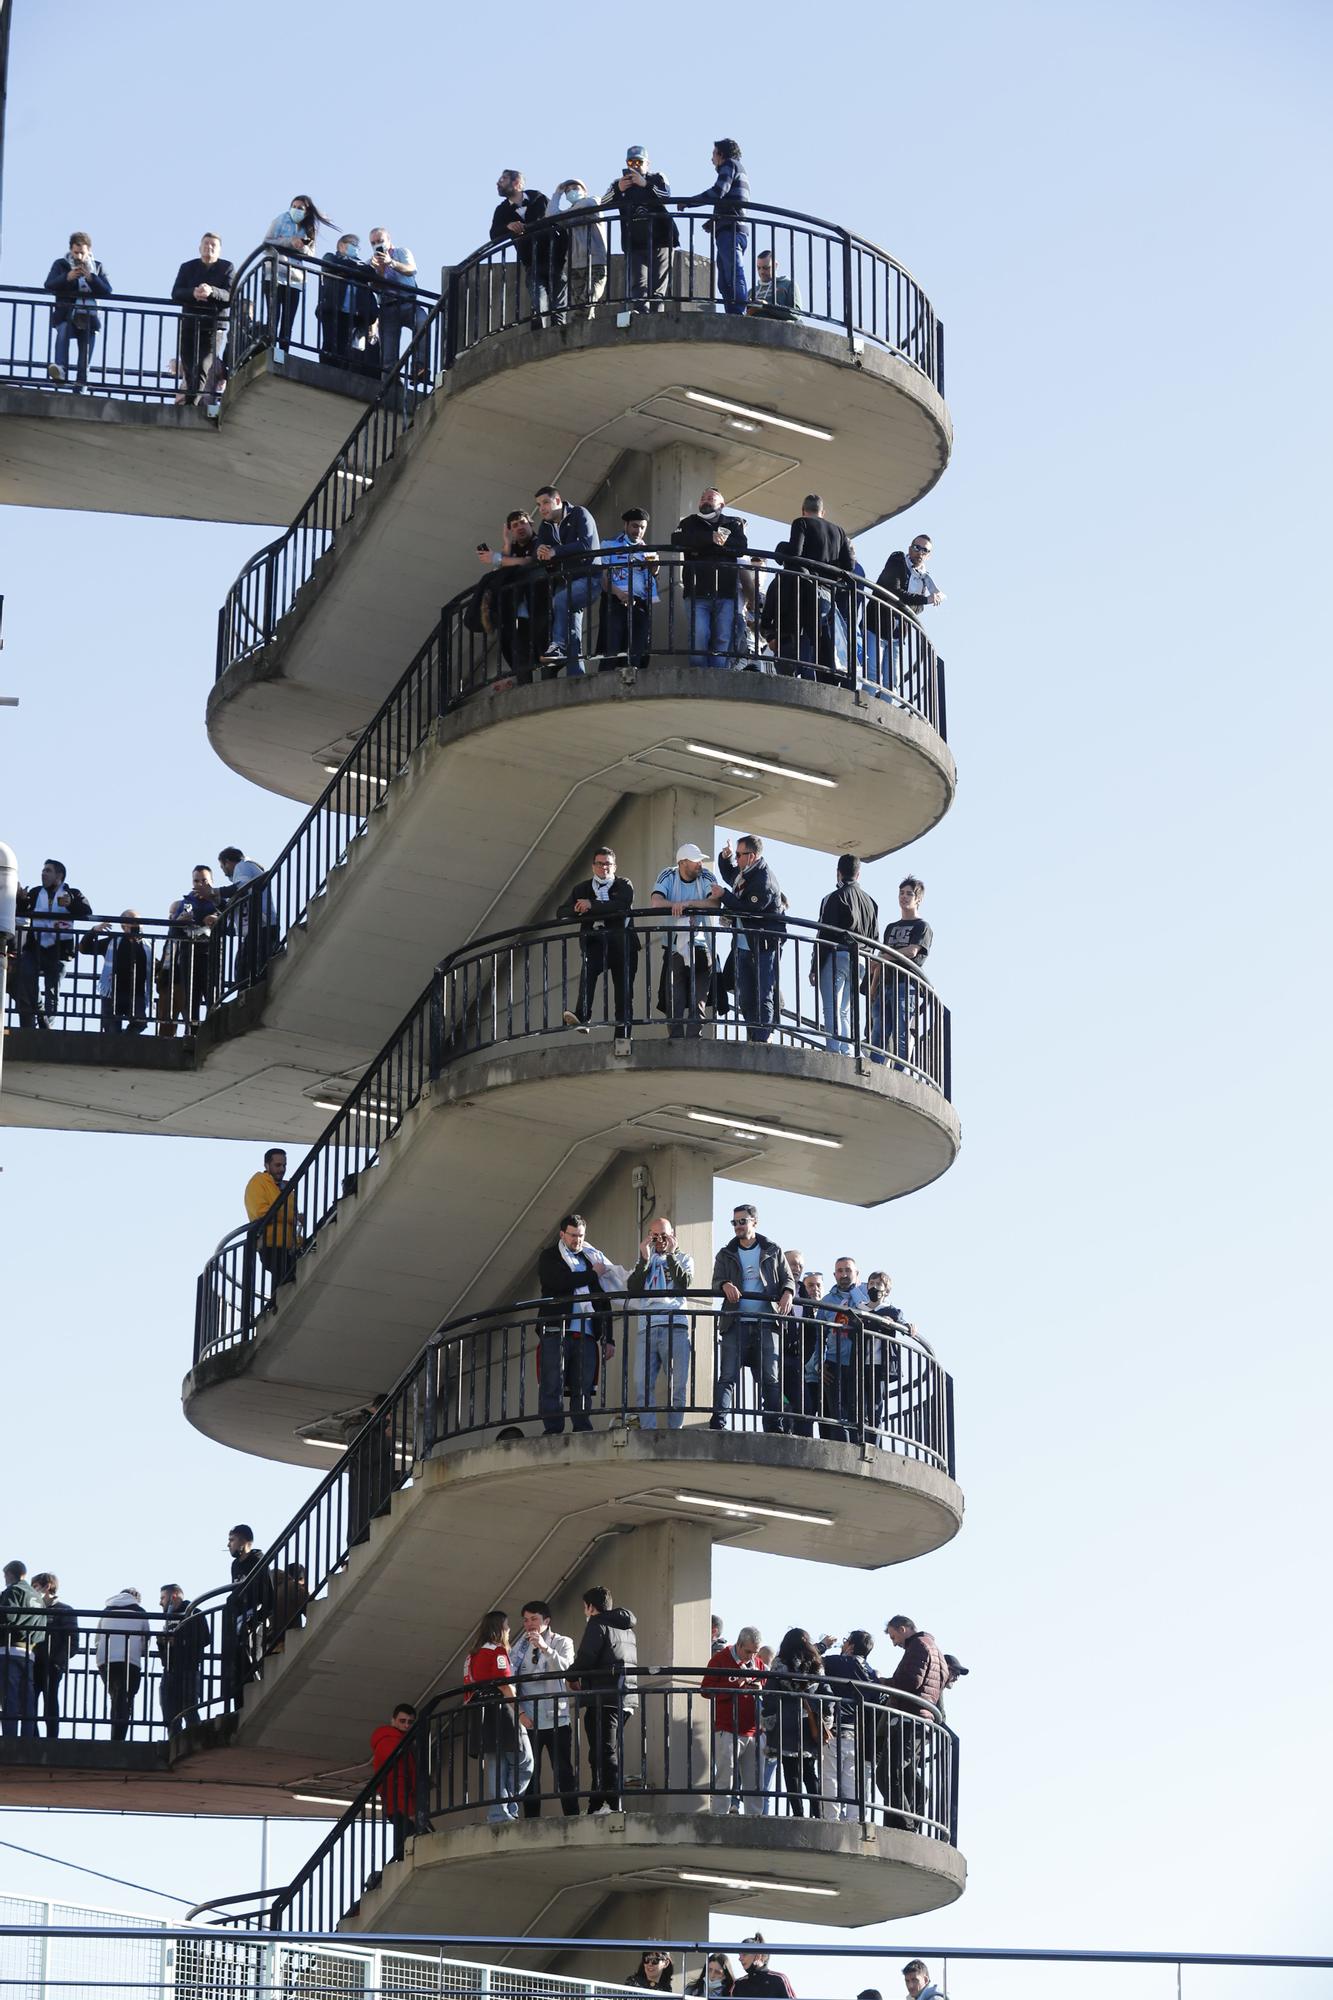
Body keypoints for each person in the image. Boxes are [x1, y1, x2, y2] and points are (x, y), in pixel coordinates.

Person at [710, 1204, 794, 1433]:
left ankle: (773, 1426)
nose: (738, 1226)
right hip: (735, 1322)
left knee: (771, 1378)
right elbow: (716, 1280)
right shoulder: (725, 1253)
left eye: (742, 1221)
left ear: (754, 1222)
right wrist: (724, 1284)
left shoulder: (773, 1249)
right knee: (727, 1376)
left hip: (767, 1323)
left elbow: (788, 1279)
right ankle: (718, 1424)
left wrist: (788, 1293)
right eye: (734, 1222)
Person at [535, 1215, 616, 1434]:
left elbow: (603, 1300)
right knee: (552, 1384)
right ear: (562, 1234)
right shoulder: (550, 1256)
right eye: (573, 1235)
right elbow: (559, 1282)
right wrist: (592, 1275)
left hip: (587, 1334)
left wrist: (609, 1338)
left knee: (584, 1386)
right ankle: (553, 1430)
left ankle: (582, 1429)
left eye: (581, 1236)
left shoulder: (590, 1258)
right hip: (555, 1330)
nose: (577, 1241)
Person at [567, 1585, 637, 1813]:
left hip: (603, 1696)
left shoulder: (597, 1624)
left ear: (590, 1607)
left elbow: (587, 1657)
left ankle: (610, 1802)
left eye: (585, 1607)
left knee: (603, 1752)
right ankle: (598, 1802)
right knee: (603, 1750)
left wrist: (571, 1675)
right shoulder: (627, 1628)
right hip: (625, 1697)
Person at [557, 846, 638, 1038]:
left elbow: (620, 906)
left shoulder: (624, 884)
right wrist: (579, 908)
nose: (604, 868)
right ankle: (582, 1017)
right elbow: (561, 912)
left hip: (622, 944)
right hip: (595, 941)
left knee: (624, 994)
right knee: (588, 972)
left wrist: (591, 905)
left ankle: (622, 1036)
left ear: (615, 866)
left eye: (608, 864)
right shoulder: (582, 889)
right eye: (600, 864)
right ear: (593, 866)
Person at [713, 835, 785, 1043]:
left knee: (764, 993)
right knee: (745, 996)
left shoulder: (764, 880)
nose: (736, 859)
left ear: (751, 856)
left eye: (738, 855)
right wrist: (724, 858)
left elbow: (750, 909)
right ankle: (754, 1034)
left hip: (763, 945)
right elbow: (730, 875)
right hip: (744, 946)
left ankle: (762, 1038)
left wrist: (724, 896)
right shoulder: (745, 873)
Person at [510, 1601, 578, 1818]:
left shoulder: (562, 1642)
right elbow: (510, 1684)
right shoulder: (519, 1647)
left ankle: (572, 1817)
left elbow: (567, 1669)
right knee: (531, 1774)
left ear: (546, 1621)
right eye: (526, 1620)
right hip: (529, 1720)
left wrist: (545, 1648)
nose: (529, 1624)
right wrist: (520, 1713)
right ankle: (531, 1821)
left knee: (563, 1772)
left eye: (534, 1619)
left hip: (558, 1720)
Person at [877, 1616, 945, 1828]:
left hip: (909, 1718)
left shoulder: (917, 1646)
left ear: (903, 1629)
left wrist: (883, 1682)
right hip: (921, 1720)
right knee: (904, 1772)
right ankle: (911, 1813)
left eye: (893, 1635)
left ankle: (907, 1823)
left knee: (886, 1774)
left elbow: (910, 1682)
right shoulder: (934, 1649)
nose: (894, 1642)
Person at [626, 1217, 694, 1429]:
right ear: (649, 1236)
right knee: (641, 1383)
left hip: (676, 1325)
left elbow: (683, 1285)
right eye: (656, 1236)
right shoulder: (645, 1260)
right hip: (647, 1327)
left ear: (673, 1235)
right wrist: (644, 1259)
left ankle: (675, 1430)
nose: (660, 1241)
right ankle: (648, 1429)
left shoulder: (684, 1258)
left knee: (678, 1384)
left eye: (664, 1236)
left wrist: (672, 1256)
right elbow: (634, 1289)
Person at [650, 843, 721, 1038]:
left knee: (699, 997)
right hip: (674, 947)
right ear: (682, 863)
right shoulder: (668, 875)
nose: (700, 864)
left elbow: (714, 903)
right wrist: (677, 907)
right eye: (695, 861)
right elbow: (656, 902)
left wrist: (687, 905)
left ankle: (693, 1037)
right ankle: (676, 1037)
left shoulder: (706, 876)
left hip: (702, 945)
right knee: (675, 995)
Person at [671, 490, 748, 669]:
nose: (705, 501)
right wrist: (709, 539)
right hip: (697, 591)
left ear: (721, 505)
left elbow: (741, 546)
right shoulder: (689, 522)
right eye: (702, 498)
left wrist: (701, 547)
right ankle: (699, 674)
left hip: (726, 592)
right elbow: (676, 540)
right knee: (699, 635)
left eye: (711, 499)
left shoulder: (733, 523)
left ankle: (718, 675)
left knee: (723, 638)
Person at [12, 861, 92, 1030]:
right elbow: (21, 912)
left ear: (59, 876)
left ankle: (46, 1028)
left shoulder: (72, 893)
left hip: (59, 951)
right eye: (43, 870)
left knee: (52, 992)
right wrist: (20, 899)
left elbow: (86, 911)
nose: (43, 873)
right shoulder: (35, 893)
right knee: (27, 978)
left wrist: (71, 903)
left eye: (48, 871)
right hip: (35, 948)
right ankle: (42, 1018)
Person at [760, 1634, 830, 1821]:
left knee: (790, 1772)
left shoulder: (780, 1664)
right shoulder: (816, 1665)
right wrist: (825, 1715)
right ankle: (818, 1813)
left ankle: (798, 1814)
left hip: (785, 1722)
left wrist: (768, 1719)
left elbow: (769, 1695)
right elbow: (827, 1693)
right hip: (809, 1723)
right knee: (809, 1771)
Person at [675, 139, 749, 314]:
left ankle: (738, 313)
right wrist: (715, 221)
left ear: (721, 154)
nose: (711, 159)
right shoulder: (738, 168)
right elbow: (731, 202)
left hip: (731, 230)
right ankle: (734, 312)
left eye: (713, 154)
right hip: (731, 229)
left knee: (732, 273)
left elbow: (718, 192)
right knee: (724, 279)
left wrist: (689, 202)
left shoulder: (730, 165)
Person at [815, 855, 878, 1056]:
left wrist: (815, 966)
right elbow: (875, 936)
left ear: (838, 872)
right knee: (846, 1010)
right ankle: (849, 1050)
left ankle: (835, 1049)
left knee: (832, 1008)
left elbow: (823, 934)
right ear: (858, 874)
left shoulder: (833, 898)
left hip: (837, 956)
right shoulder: (871, 902)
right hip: (860, 960)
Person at [533, 485, 600, 673]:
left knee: (560, 599)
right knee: (572, 629)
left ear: (557, 500)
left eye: (545, 502)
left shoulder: (579, 513)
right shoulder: (545, 526)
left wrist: (555, 551)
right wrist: (539, 552)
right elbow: (538, 549)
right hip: (567, 581)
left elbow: (587, 545)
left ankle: (558, 646)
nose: (542, 508)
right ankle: (576, 674)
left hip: (589, 578)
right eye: (538, 505)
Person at [786, 496, 854, 678]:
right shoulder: (839, 531)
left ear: (803, 510)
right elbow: (849, 565)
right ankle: (829, 678)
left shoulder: (801, 523)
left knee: (807, 636)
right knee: (824, 637)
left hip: (807, 588)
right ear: (823, 513)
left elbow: (795, 553)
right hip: (828, 591)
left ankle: (807, 676)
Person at [604, 147, 677, 315]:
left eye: (639, 162)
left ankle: (657, 313)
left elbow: (667, 197)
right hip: (634, 240)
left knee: (658, 281)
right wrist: (619, 189)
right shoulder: (618, 183)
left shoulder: (657, 178)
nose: (635, 166)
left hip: (661, 238)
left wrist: (646, 184)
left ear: (647, 164)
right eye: (631, 162)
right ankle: (640, 312)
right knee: (638, 281)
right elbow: (603, 203)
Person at [870, 878, 933, 1070]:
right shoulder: (891, 927)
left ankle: (899, 1071)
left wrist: (886, 956)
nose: (904, 897)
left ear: (918, 899)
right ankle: (875, 1067)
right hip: (885, 984)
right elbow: (880, 960)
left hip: (906, 985)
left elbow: (913, 952)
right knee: (879, 1030)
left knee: (902, 1031)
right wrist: (873, 988)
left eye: (909, 894)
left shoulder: (922, 926)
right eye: (901, 893)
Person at [490, 171, 565, 329]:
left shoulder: (539, 198)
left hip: (554, 259)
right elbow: (494, 233)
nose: (498, 183)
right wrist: (507, 227)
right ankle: (541, 330)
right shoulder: (502, 210)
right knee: (539, 300)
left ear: (517, 183)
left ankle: (559, 332)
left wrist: (561, 251)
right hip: (531, 263)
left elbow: (558, 221)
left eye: (503, 179)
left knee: (558, 305)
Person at [702, 1624, 764, 1811]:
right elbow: (705, 1690)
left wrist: (761, 1688)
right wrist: (735, 1686)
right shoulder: (720, 1660)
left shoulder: (758, 1663)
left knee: (754, 1784)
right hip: (727, 1729)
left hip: (753, 1731)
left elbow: (766, 1684)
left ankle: (756, 1822)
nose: (752, 1657)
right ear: (738, 1644)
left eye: (755, 1652)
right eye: (748, 1652)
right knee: (725, 1779)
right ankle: (719, 1818)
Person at [876, 534, 942, 704]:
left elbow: (917, 609)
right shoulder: (897, 560)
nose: (919, 552)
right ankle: (864, 704)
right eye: (917, 547)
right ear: (909, 548)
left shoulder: (924, 578)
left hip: (897, 633)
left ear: (929, 555)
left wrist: (915, 601)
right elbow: (893, 590)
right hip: (876, 625)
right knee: (872, 671)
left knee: (893, 680)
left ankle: (884, 708)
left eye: (925, 550)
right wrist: (924, 599)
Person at [263, 196, 333, 354]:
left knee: (288, 320)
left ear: (307, 211)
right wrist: (289, 241)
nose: (296, 209)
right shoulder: (280, 220)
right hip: (274, 274)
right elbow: (267, 241)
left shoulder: (309, 228)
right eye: (293, 206)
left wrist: (301, 246)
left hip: (295, 279)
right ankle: (270, 349)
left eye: (300, 208)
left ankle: (283, 352)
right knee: (274, 316)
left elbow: (311, 253)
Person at [170, 234, 234, 406]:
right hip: (190, 324)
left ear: (219, 250)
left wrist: (212, 291)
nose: (209, 247)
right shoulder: (187, 267)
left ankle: (191, 404)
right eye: (206, 244)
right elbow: (176, 293)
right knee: (189, 366)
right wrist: (193, 293)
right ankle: (191, 401)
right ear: (199, 247)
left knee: (203, 367)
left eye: (213, 245)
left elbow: (229, 296)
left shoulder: (226, 267)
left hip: (213, 328)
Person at [820, 1631, 878, 1819]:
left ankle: (832, 1819)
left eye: (846, 1642)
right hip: (856, 1734)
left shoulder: (839, 1662)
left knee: (830, 1777)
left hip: (836, 1729)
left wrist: (823, 1645)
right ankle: (854, 1821)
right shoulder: (870, 1673)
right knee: (852, 1781)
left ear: (851, 1646)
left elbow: (808, 1660)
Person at [156, 865, 219, 1036]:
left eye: (204, 880)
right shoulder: (185, 903)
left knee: (211, 994)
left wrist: (217, 918)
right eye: (196, 881)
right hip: (188, 955)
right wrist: (180, 921)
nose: (200, 884)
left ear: (211, 881)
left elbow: (230, 926)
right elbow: (174, 933)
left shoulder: (218, 902)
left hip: (208, 954)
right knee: (191, 997)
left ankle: (213, 1029)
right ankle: (192, 1031)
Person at [44, 232, 112, 389]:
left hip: (89, 317)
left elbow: (107, 290)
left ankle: (81, 385)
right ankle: (60, 372)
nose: (79, 256)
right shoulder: (61, 265)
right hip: (66, 313)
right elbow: (49, 285)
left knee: (85, 353)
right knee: (63, 334)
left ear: (88, 250)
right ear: (70, 250)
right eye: (76, 252)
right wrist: (67, 277)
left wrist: (92, 278)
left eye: (82, 252)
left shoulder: (97, 266)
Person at [816, 1258, 873, 1443]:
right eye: (839, 1271)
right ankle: (845, 1447)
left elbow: (873, 1311)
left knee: (861, 1409)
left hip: (862, 1361)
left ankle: (862, 1446)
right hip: (834, 1360)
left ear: (857, 1273)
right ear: (834, 1275)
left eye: (848, 1270)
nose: (844, 1274)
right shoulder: (827, 1301)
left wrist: (854, 1292)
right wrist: (820, 1364)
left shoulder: (867, 1293)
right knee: (837, 1410)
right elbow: (820, 1336)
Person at [601, 509, 660, 669]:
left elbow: (653, 576)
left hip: (640, 604)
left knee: (637, 651)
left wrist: (654, 568)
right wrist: (620, 594)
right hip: (615, 602)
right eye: (635, 526)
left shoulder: (649, 550)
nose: (638, 531)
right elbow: (603, 579)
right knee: (612, 648)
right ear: (625, 525)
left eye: (642, 527)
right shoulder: (608, 545)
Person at [77, 912, 153, 1034]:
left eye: (138, 921)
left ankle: (125, 1040)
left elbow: (155, 966)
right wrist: (93, 931)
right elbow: (84, 948)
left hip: (136, 993)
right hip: (112, 992)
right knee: (111, 1030)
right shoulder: (113, 941)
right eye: (131, 921)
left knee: (140, 1022)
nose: (135, 924)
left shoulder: (148, 946)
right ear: (123, 925)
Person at [317, 233, 378, 370]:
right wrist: (354, 270)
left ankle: (340, 370)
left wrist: (347, 270)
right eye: (353, 244)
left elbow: (370, 273)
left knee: (344, 345)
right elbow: (330, 265)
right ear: (341, 245)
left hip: (351, 312)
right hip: (332, 308)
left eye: (357, 245)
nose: (356, 248)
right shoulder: (330, 256)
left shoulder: (361, 263)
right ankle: (325, 369)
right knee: (329, 341)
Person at [95, 1588, 149, 1741]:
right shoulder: (140, 1612)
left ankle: (115, 1732)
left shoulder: (106, 1610)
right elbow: (146, 1641)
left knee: (115, 1696)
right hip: (130, 1661)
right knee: (126, 1698)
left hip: (106, 1660)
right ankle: (119, 1737)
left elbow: (97, 1640)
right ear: (136, 1599)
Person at [217, 847, 276, 986]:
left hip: (263, 925)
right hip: (260, 927)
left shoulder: (242, 866)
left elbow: (241, 887)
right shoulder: (248, 869)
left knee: (247, 966)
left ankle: (250, 994)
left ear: (227, 862)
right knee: (242, 964)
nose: (223, 871)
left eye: (222, 867)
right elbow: (235, 907)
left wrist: (216, 891)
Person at [368, 228, 422, 378]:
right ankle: (390, 383)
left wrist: (391, 263)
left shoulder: (401, 252)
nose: (377, 245)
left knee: (423, 323)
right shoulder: (371, 262)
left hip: (408, 301)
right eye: (373, 243)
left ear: (389, 240)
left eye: (380, 241)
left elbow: (411, 269)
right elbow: (374, 287)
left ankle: (419, 367)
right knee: (388, 352)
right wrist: (379, 271)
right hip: (387, 307)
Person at [371, 1701, 423, 1857]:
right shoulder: (392, 1743)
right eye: (402, 1721)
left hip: (399, 1804)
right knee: (406, 1851)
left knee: (406, 1851)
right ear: (393, 1720)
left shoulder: (395, 1742)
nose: (406, 1725)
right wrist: (409, 1810)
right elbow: (395, 1779)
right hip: (401, 1805)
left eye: (410, 1722)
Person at [29, 1574, 78, 1741]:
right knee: (30, 1703)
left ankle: (51, 1739)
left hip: (52, 1665)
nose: (32, 1590)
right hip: (32, 1663)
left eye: (35, 1586)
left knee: (50, 1702)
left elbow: (72, 1641)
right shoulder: (32, 1610)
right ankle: (33, 1737)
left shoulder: (64, 1610)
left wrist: (58, 1662)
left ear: (47, 1586)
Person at [551, 180, 608, 317]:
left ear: (584, 190)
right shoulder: (567, 215)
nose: (571, 192)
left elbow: (589, 204)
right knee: (581, 305)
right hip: (574, 264)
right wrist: (557, 194)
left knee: (589, 298)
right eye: (567, 190)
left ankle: (580, 325)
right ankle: (587, 329)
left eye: (575, 188)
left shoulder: (593, 201)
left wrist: (565, 214)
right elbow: (551, 216)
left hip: (595, 261)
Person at [244, 1148, 302, 1283]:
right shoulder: (258, 1181)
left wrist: (299, 1239)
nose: (282, 1169)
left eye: (284, 1165)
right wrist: (293, 1218)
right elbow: (262, 1212)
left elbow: (289, 1219)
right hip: (271, 1244)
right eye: (277, 1165)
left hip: (289, 1245)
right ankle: (276, 1304)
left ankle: (277, 1303)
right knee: (283, 1280)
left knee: (288, 1280)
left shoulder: (285, 1188)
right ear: (266, 1165)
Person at [0, 1562, 44, 1739]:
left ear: (10, 1574)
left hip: (9, 1649)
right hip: (30, 1652)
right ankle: (27, 1737)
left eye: (5, 1576)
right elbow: (42, 1630)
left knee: (8, 1695)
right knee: (27, 1697)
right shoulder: (38, 1598)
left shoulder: (13, 1591)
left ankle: (10, 1736)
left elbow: (7, 1615)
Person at [227, 1525, 274, 1690]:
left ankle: (256, 1690)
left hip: (254, 1618)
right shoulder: (235, 1565)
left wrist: (256, 1619)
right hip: (239, 1619)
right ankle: (238, 1701)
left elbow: (270, 1597)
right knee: (237, 1664)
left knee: (251, 1658)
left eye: (232, 1540)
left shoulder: (258, 1561)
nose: (228, 1544)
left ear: (244, 1542)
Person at [157, 1586, 207, 1732]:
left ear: (174, 1596)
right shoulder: (168, 1617)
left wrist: (177, 1641)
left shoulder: (193, 1613)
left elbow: (203, 1638)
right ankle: (174, 1742)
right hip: (170, 1669)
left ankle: (194, 1739)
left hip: (188, 1668)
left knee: (189, 1709)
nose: (160, 1603)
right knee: (169, 1711)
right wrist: (161, 1642)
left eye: (162, 1598)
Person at [746, 250, 801, 321]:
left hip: (778, 330)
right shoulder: (751, 291)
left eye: (766, 268)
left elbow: (796, 314)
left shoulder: (788, 285)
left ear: (775, 265)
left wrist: (766, 306)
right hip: (753, 329)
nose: (762, 272)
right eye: (759, 268)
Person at [732, 1937, 796, 1997]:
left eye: (744, 1954)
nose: (740, 1958)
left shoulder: (779, 1980)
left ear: (758, 1956)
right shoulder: (738, 1984)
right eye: (739, 1955)